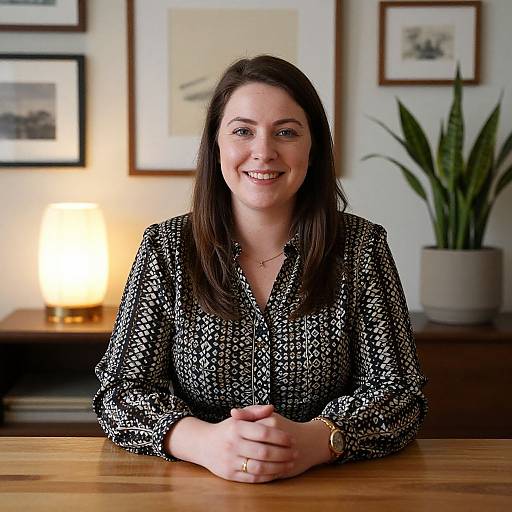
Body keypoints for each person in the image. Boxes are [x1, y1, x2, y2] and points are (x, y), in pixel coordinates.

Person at [94, 55, 427, 484]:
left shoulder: (362, 249)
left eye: (285, 132)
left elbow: (402, 394)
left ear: (313, 146)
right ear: (217, 143)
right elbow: (118, 392)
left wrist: (320, 440)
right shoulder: (167, 248)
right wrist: (202, 442)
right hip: (194, 489)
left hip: (331, 491)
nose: (263, 152)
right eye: (243, 131)